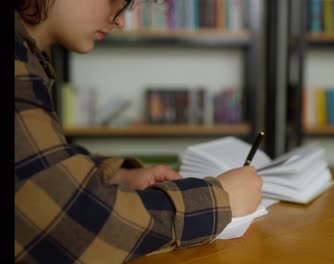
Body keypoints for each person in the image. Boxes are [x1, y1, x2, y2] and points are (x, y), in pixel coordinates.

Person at [14, 0, 263, 263]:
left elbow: (36, 164)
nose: (120, 20)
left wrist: (116, 176)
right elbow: (74, 222)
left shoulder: (27, 58)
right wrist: (219, 200)